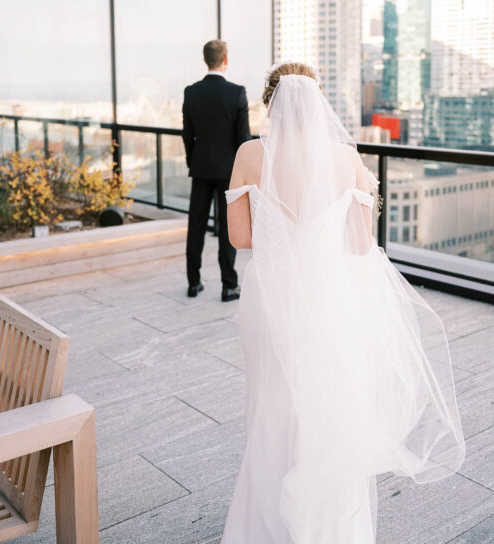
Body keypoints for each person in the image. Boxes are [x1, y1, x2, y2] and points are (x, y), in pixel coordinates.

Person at [220, 62, 465, 543]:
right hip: (330, 300)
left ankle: (265, 523)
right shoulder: (344, 158)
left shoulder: (250, 153)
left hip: (269, 300)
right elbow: (358, 246)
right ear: (317, 104)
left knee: (272, 404)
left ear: (271, 104)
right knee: (326, 405)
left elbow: (239, 237)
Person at [182, 40, 250, 302]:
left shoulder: (191, 92)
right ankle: (228, 285)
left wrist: (193, 161)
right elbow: (243, 138)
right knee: (227, 227)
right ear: (226, 60)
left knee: (196, 226)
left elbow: (188, 135)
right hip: (228, 171)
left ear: (205, 59)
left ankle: (193, 282)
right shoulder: (236, 93)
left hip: (200, 168)